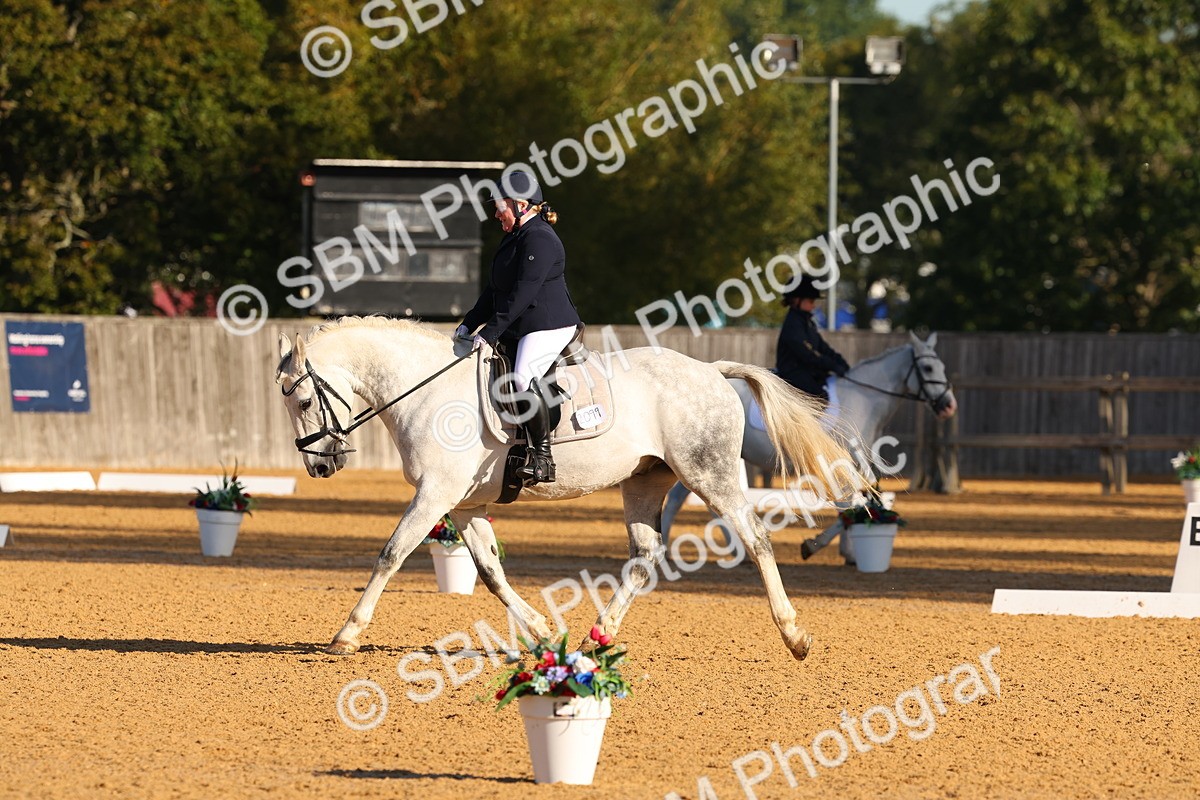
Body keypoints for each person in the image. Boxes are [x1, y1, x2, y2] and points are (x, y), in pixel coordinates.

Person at [457, 172, 581, 485]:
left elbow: (523, 294)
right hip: (523, 324)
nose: (496, 214)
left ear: (521, 204)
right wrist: (469, 323)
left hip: (548, 324)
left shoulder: (539, 238)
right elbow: (495, 291)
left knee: (524, 377)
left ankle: (543, 458)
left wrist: (489, 333)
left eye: (500, 207)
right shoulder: (515, 237)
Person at [774, 274, 849, 404]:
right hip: (792, 373)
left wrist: (840, 361)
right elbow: (807, 354)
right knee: (819, 397)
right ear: (796, 300)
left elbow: (822, 347)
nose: (814, 306)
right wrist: (832, 365)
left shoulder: (807, 322)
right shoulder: (793, 324)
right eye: (811, 301)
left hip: (807, 371)